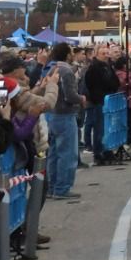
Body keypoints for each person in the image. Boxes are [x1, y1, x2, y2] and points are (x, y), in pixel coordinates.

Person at [39, 42, 83, 201]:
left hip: (50, 113)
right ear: (66, 54)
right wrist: (81, 99)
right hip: (64, 114)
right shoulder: (66, 70)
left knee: (53, 154)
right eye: (71, 52)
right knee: (67, 153)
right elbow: (69, 95)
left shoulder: (48, 67)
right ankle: (62, 188)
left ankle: (52, 187)